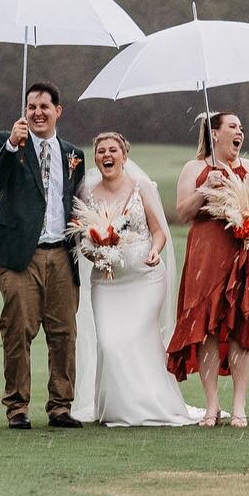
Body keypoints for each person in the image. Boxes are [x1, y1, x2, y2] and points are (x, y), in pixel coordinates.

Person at [69, 132, 203, 427]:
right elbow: (82, 241)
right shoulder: (88, 194)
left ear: (124, 156)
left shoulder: (141, 187)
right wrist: (99, 254)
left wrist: (155, 251)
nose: (107, 155)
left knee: (136, 337)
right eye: (101, 151)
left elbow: (158, 231)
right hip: (108, 283)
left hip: (145, 278)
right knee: (109, 340)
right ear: (96, 159)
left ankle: (150, 405)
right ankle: (117, 407)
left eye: (113, 150)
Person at [0, 81, 87, 429]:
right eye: (31, 106)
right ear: (24, 111)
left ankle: (60, 407)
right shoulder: (7, 143)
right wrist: (11, 144)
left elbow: (76, 202)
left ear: (58, 110)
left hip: (61, 254)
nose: (37, 112)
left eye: (44, 106)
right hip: (18, 255)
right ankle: (17, 407)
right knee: (17, 331)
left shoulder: (73, 155)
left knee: (64, 333)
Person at [168, 112, 249, 428]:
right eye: (232, 127)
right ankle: (212, 404)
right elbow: (183, 212)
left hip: (243, 250)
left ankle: (239, 404)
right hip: (206, 250)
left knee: (241, 322)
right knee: (207, 325)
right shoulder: (195, 168)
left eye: (241, 127)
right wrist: (204, 189)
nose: (239, 132)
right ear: (214, 134)